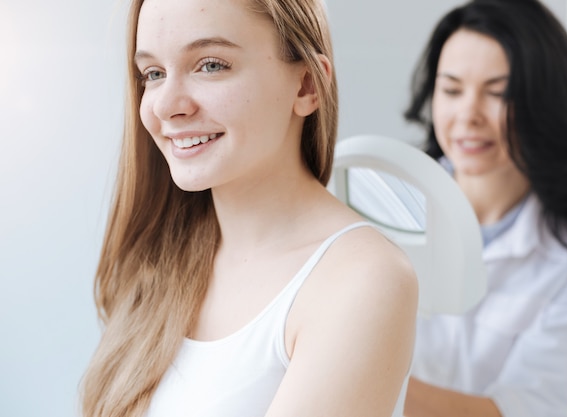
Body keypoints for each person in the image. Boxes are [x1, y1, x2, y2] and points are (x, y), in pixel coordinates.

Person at [79, 0, 418, 416]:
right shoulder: (161, 263)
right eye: (153, 73)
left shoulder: (362, 279)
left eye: (211, 65)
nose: (167, 105)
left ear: (307, 86)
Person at [393, 0, 567, 416]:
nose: (468, 114)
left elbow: (529, 409)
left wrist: (366, 379)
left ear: (546, 103)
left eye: (498, 93)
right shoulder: (387, 203)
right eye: (451, 89)